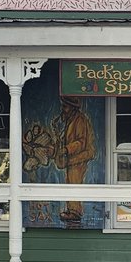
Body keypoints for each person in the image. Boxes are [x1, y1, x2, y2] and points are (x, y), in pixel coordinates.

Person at [53, 96, 97, 225]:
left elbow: (81, 142)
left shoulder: (80, 120)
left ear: (72, 108)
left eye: (65, 106)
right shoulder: (71, 119)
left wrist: (66, 149)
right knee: (70, 181)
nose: (63, 109)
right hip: (74, 156)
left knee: (74, 181)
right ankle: (72, 209)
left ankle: (75, 212)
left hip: (81, 155)